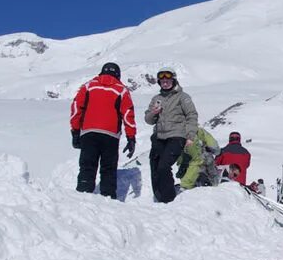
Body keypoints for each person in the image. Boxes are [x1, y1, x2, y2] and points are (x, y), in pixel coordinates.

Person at [70, 62, 136, 199]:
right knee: (108, 169)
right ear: (118, 75)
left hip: (88, 133)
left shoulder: (88, 86)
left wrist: (75, 131)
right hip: (110, 136)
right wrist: (131, 138)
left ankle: (82, 196)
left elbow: (76, 108)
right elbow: (128, 115)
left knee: (87, 166)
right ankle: (108, 198)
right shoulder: (122, 90)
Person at [144, 68, 198, 203]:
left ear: (173, 80)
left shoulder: (183, 97)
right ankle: (159, 195)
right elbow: (148, 120)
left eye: (168, 80)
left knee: (163, 166)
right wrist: (154, 113)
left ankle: (168, 199)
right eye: (162, 81)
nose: (165, 83)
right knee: (155, 165)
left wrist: (190, 136)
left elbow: (192, 115)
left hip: (176, 136)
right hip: (159, 136)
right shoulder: (157, 99)